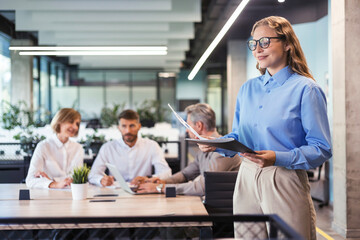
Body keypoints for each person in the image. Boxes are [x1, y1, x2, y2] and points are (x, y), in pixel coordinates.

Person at [198, 16, 332, 239]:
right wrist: (216, 144)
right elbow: (240, 135)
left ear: (287, 43)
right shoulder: (248, 89)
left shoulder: (306, 89)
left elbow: (321, 148)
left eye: (265, 42)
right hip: (247, 176)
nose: (258, 49)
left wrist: (277, 158)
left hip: (284, 178)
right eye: (254, 43)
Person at [133, 103, 241, 195]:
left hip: (224, 211)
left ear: (199, 126)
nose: (186, 131)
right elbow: (186, 174)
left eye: (188, 125)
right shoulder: (205, 147)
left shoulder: (221, 150)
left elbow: (203, 187)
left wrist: (161, 188)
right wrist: (161, 182)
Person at [88, 109, 171, 187]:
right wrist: (101, 180)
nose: (128, 131)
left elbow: (166, 173)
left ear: (139, 126)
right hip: (116, 193)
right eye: (124, 126)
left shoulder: (152, 146)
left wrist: (148, 179)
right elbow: (93, 175)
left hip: (143, 192)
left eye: (132, 126)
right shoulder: (108, 148)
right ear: (119, 128)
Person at [26, 108, 84, 189]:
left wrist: (51, 180)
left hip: (72, 194)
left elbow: (77, 179)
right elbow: (30, 180)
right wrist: (54, 184)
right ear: (59, 121)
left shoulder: (78, 148)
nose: (75, 127)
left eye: (77, 124)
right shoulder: (43, 146)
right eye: (71, 122)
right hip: (49, 196)